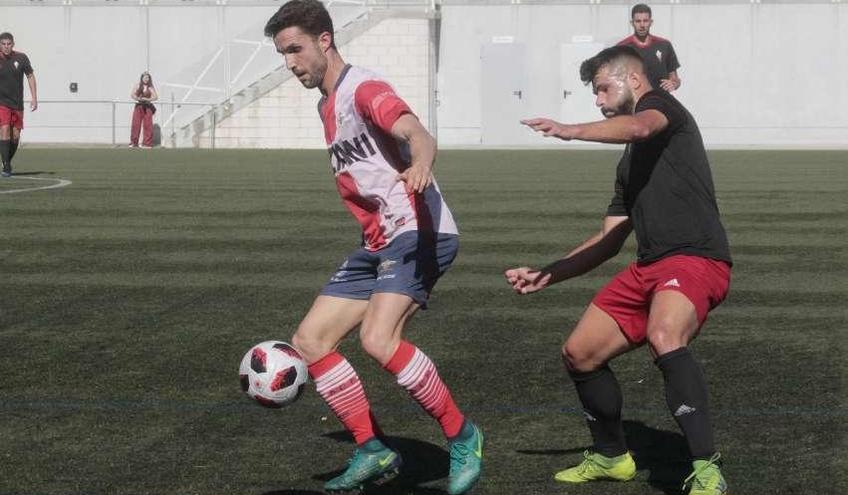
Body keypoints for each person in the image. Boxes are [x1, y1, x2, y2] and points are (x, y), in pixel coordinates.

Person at [263, 1, 483, 494]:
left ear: (325, 41)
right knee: (311, 341)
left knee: (378, 340)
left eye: (295, 49)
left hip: (420, 232)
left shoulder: (363, 89)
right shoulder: (326, 104)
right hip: (378, 241)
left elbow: (416, 132)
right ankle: (373, 449)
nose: (290, 62)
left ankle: (464, 435)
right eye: (282, 54)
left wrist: (422, 163)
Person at [509, 45, 730, 495]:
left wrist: (570, 131)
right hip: (649, 266)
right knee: (580, 352)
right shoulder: (628, 163)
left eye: (602, 88)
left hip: (695, 258)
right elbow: (610, 239)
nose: (597, 99)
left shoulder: (659, 107)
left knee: (664, 335)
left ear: (632, 81)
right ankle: (612, 456)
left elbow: (639, 125)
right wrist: (547, 273)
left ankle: (707, 468)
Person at [0, 32, 37, 177]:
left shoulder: (21, 58)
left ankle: (6, 160)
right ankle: (6, 167)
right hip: (0, 102)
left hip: (17, 103)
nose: (6, 47)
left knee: (16, 136)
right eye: (3, 44)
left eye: (9, 44)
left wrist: (34, 97)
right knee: (4, 129)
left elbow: (30, 76)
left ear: (13, 44)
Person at [617, 3, 681, 93]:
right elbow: (616, 79)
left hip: (660, 101)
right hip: (635, 103)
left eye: (645, 21)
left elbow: (675, 79)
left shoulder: (664, 45)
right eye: (638, 21)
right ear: (632, 23)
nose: (642, 25)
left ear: (651, 22)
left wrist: (673, 83)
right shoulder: (621, 47)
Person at [130, 72, 158, 148]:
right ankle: (134, 142)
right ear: (142, 78)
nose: (146, 79)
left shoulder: (150, 87)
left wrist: (147, 99)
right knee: (136, 124)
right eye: (144, 77)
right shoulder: (138, 85)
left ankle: (147, 143)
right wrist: (138, 98)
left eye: (147, 78)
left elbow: (155, 97)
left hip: (148, 107)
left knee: (148, 125)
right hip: (139, 106)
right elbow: (132, 94)